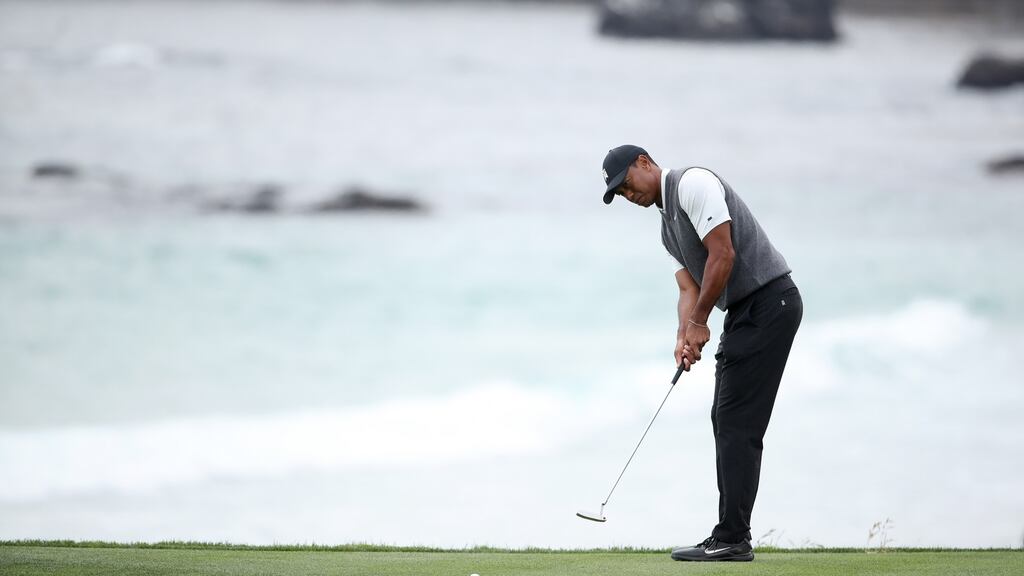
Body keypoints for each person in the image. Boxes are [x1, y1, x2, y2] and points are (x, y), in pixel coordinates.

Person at [601, 144, 803, 562]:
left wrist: (700, 321)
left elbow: (723, 253)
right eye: (619, 193)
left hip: (770, 302)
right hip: (747, 311)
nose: (628, 194)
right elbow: (688, 288)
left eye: (627, 183)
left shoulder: (693, 184)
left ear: (644, 163)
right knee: (726, 418)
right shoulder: (666, 228)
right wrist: (683, 334)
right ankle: (729, 534)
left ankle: (733, 537)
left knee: (736, 422)